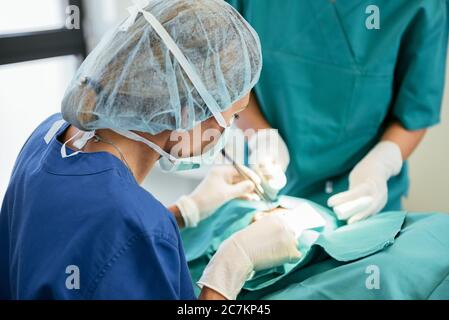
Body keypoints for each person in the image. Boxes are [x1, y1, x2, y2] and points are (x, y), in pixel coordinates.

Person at [0, 0, 302, 300]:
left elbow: (80, 242)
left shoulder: (47, 135)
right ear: (187, 114)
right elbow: (119, 234)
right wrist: (231, 268)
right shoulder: (134, 222)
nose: (229, 132)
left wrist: (185, 211)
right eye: (233, 117)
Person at [226, 0, 449, 223]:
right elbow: (229, 76)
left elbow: (416, 109)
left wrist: (381, 165)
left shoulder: (422, 5)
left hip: (360, 197)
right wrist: (260, 137)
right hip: (265, 186)